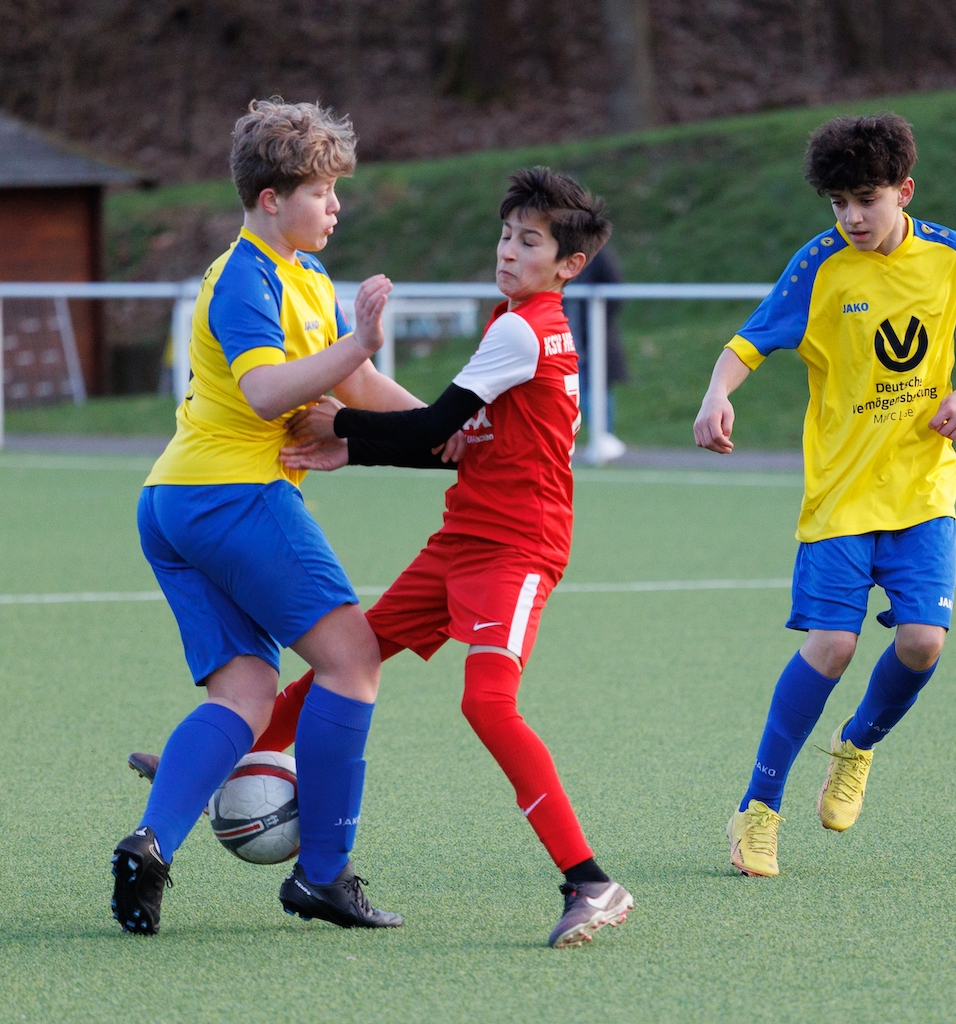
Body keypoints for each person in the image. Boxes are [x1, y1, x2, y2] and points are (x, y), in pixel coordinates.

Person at [134, 167, 634, 948]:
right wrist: (358, 445)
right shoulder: (519, 320)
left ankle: (590, 882)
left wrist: (343, 432)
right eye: (506, 235)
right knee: (355, 650)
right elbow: (461, 443)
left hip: (517, 547)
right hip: (465, 538)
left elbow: (434, 426)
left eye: (530, 243)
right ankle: (223, 765)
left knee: (486, 705)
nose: (508, 251)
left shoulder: (523, 331)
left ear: (570, 265)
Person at [110, 98, 451, 936]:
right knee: (352, 660)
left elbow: (354, 388)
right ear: (271, 199)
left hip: (177, 502)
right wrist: (358, 345)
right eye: (321, 192)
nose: (336, 206)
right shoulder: (244, 276)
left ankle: (151, 845)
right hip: (232, 496)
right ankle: (325, 876)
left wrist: (450, 432)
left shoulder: (305, 277)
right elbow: (267, 391)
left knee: (249, 690)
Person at [693, 113, 956, 878]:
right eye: (838, 203)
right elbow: (748, 343)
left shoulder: (954, 256)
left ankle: (856, 745)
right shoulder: (819, 264)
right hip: (840, 492)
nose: (852, 218)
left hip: (923, 487)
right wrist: (716, 394)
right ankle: (759, 809)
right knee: (833, 646)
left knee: (923, 642)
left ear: (905, 190)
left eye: (866, 199)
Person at [563, 245, 629, 457]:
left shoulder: (597, 253)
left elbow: (615, 290)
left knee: (597, 389)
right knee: (573, 390)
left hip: (593, 340)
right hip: (565, 340)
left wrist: (598, 320)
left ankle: (604, 440)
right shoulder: (555, 251)